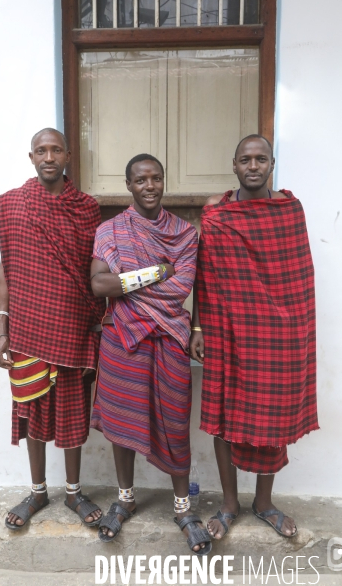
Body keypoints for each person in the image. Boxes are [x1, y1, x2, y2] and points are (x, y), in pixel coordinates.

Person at [190, 135, 318, 540]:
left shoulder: (289, 212)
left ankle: (263, 503)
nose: (253, 165)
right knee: (224, 416)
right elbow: (203, 276)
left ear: (272, 163)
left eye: (261, 158)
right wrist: (198, 327)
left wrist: (296, 332)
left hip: (278, 337)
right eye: (245, 159)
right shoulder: (217, 214)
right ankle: (229, 503)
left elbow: (298, 279)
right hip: (228, 331)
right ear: (233, 164)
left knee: (273, 415)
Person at [90, 153, 211, 555]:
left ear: (163, 182)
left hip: (170, 336)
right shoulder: (110, 230)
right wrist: (156, 272)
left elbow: (182, 288)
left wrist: (128, 282)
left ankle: (183, 508)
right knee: (121, 422)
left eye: (156, 178)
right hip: (123, 336)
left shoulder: (183, 233)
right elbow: (98, 286)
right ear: (128, 185)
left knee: (176, 420)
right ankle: (125, 498)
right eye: (140, 180)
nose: (149, 186)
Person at [0, 128, 105, 530]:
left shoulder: (87, 208)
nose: (49, 157)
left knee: (73, 410)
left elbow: (96, 268)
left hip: (73, 326)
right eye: (41, 150)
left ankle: (73, 492)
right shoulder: (12, 205)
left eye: (56, 150)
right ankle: (38, 490)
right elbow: (6, 269)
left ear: (68, 156)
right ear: (31, 157)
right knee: (32, 410)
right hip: (26, 328)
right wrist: (1, 327)